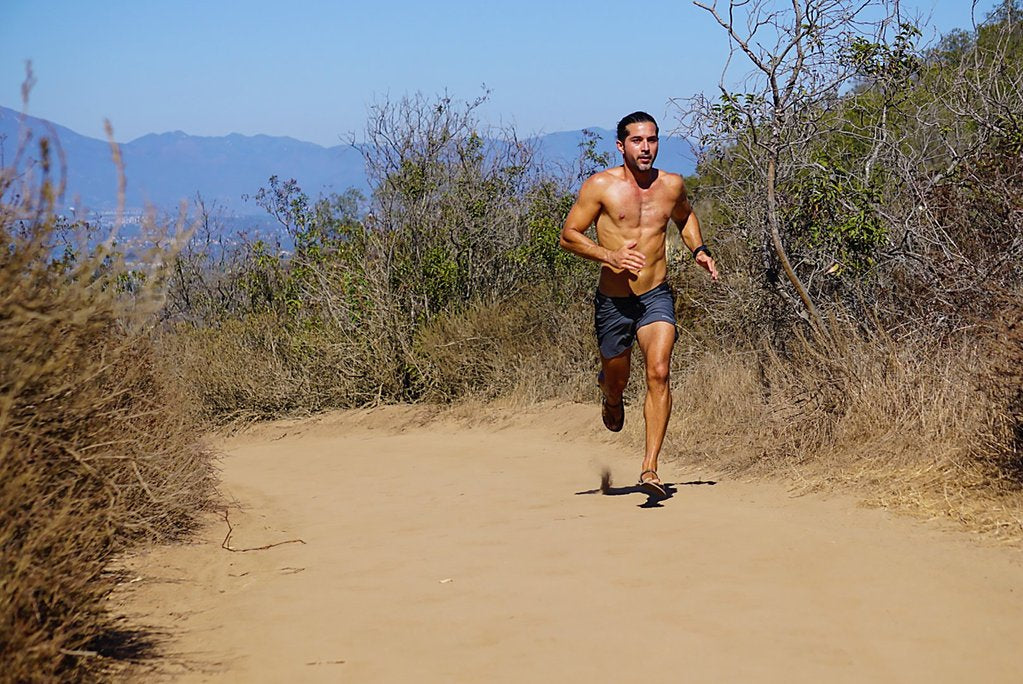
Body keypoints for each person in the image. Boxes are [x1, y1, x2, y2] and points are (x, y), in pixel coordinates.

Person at [559, 111, 718, 498]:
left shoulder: (672, 185)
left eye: (652, 140)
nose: (645, 148)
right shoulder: (600, 186)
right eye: (637, 141)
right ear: (621, 145)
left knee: (659, 371)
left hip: (655, 294)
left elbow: (685, 217)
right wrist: (608, 256)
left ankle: (650, 467)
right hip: (614, 301)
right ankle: (610, 395)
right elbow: (568, 236)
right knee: (618, 378)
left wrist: (698, 248)